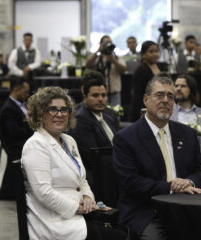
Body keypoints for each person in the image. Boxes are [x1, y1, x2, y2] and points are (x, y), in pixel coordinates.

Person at [21, 86, 126, 240]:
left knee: (127, 230)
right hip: (55, 223)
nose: (59, 114)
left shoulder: (69, 141)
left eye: (64, 110)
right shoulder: (36, 145)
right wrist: (79, 208)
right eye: (52, 109)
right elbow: (44, 193)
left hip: (79, 216)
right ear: (40, 113)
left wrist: (88, 197)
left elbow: (81, 180)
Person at [113, 76, 201, 239]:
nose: (165, 100)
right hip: (146, 211)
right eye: (159, 95)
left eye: (170, 96)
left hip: (188, 208)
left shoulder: (188, 134)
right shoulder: (126, 138)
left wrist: (189, 182)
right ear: (145, 99)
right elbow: (131, 182)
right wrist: (172, 187)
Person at [68, 72, 119, 183]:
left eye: (104, 95)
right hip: (98, 177)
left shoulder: (107, 117)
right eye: (95, 95)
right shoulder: (81, 120)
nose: (100, 99)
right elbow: (92, 158)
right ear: (85, 97)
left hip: (114, 169)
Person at [0, 77, 33, 200]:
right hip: (18, 146)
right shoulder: (8, 109)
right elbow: (15, 133)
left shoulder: (20, 105)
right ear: (16, 90)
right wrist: (31, 124)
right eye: (25, 92)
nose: (27, 95)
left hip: (24, 141)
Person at [170, 74, 201, 144]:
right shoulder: (168, 113)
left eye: (183, 86)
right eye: (176, 86)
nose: (178, 89)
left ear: (192, 89)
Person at [86, 35, 127, 105]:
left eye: (110, 42)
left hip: (114, 93)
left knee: (116, 114)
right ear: (100, 44)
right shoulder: (97, 58)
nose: (108, 44)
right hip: (99, 94)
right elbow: (88, 65)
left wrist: (113, 60)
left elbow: (123, 69)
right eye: (105, 43)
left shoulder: (117, 57)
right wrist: (98, 50)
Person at [129, 41, 160, 122]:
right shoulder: (141, 70)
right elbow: (138, 95)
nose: (155, 54)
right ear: (143, 54)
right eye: (151, 52)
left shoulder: (157, 66)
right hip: (143, 108)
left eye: (156, 51)